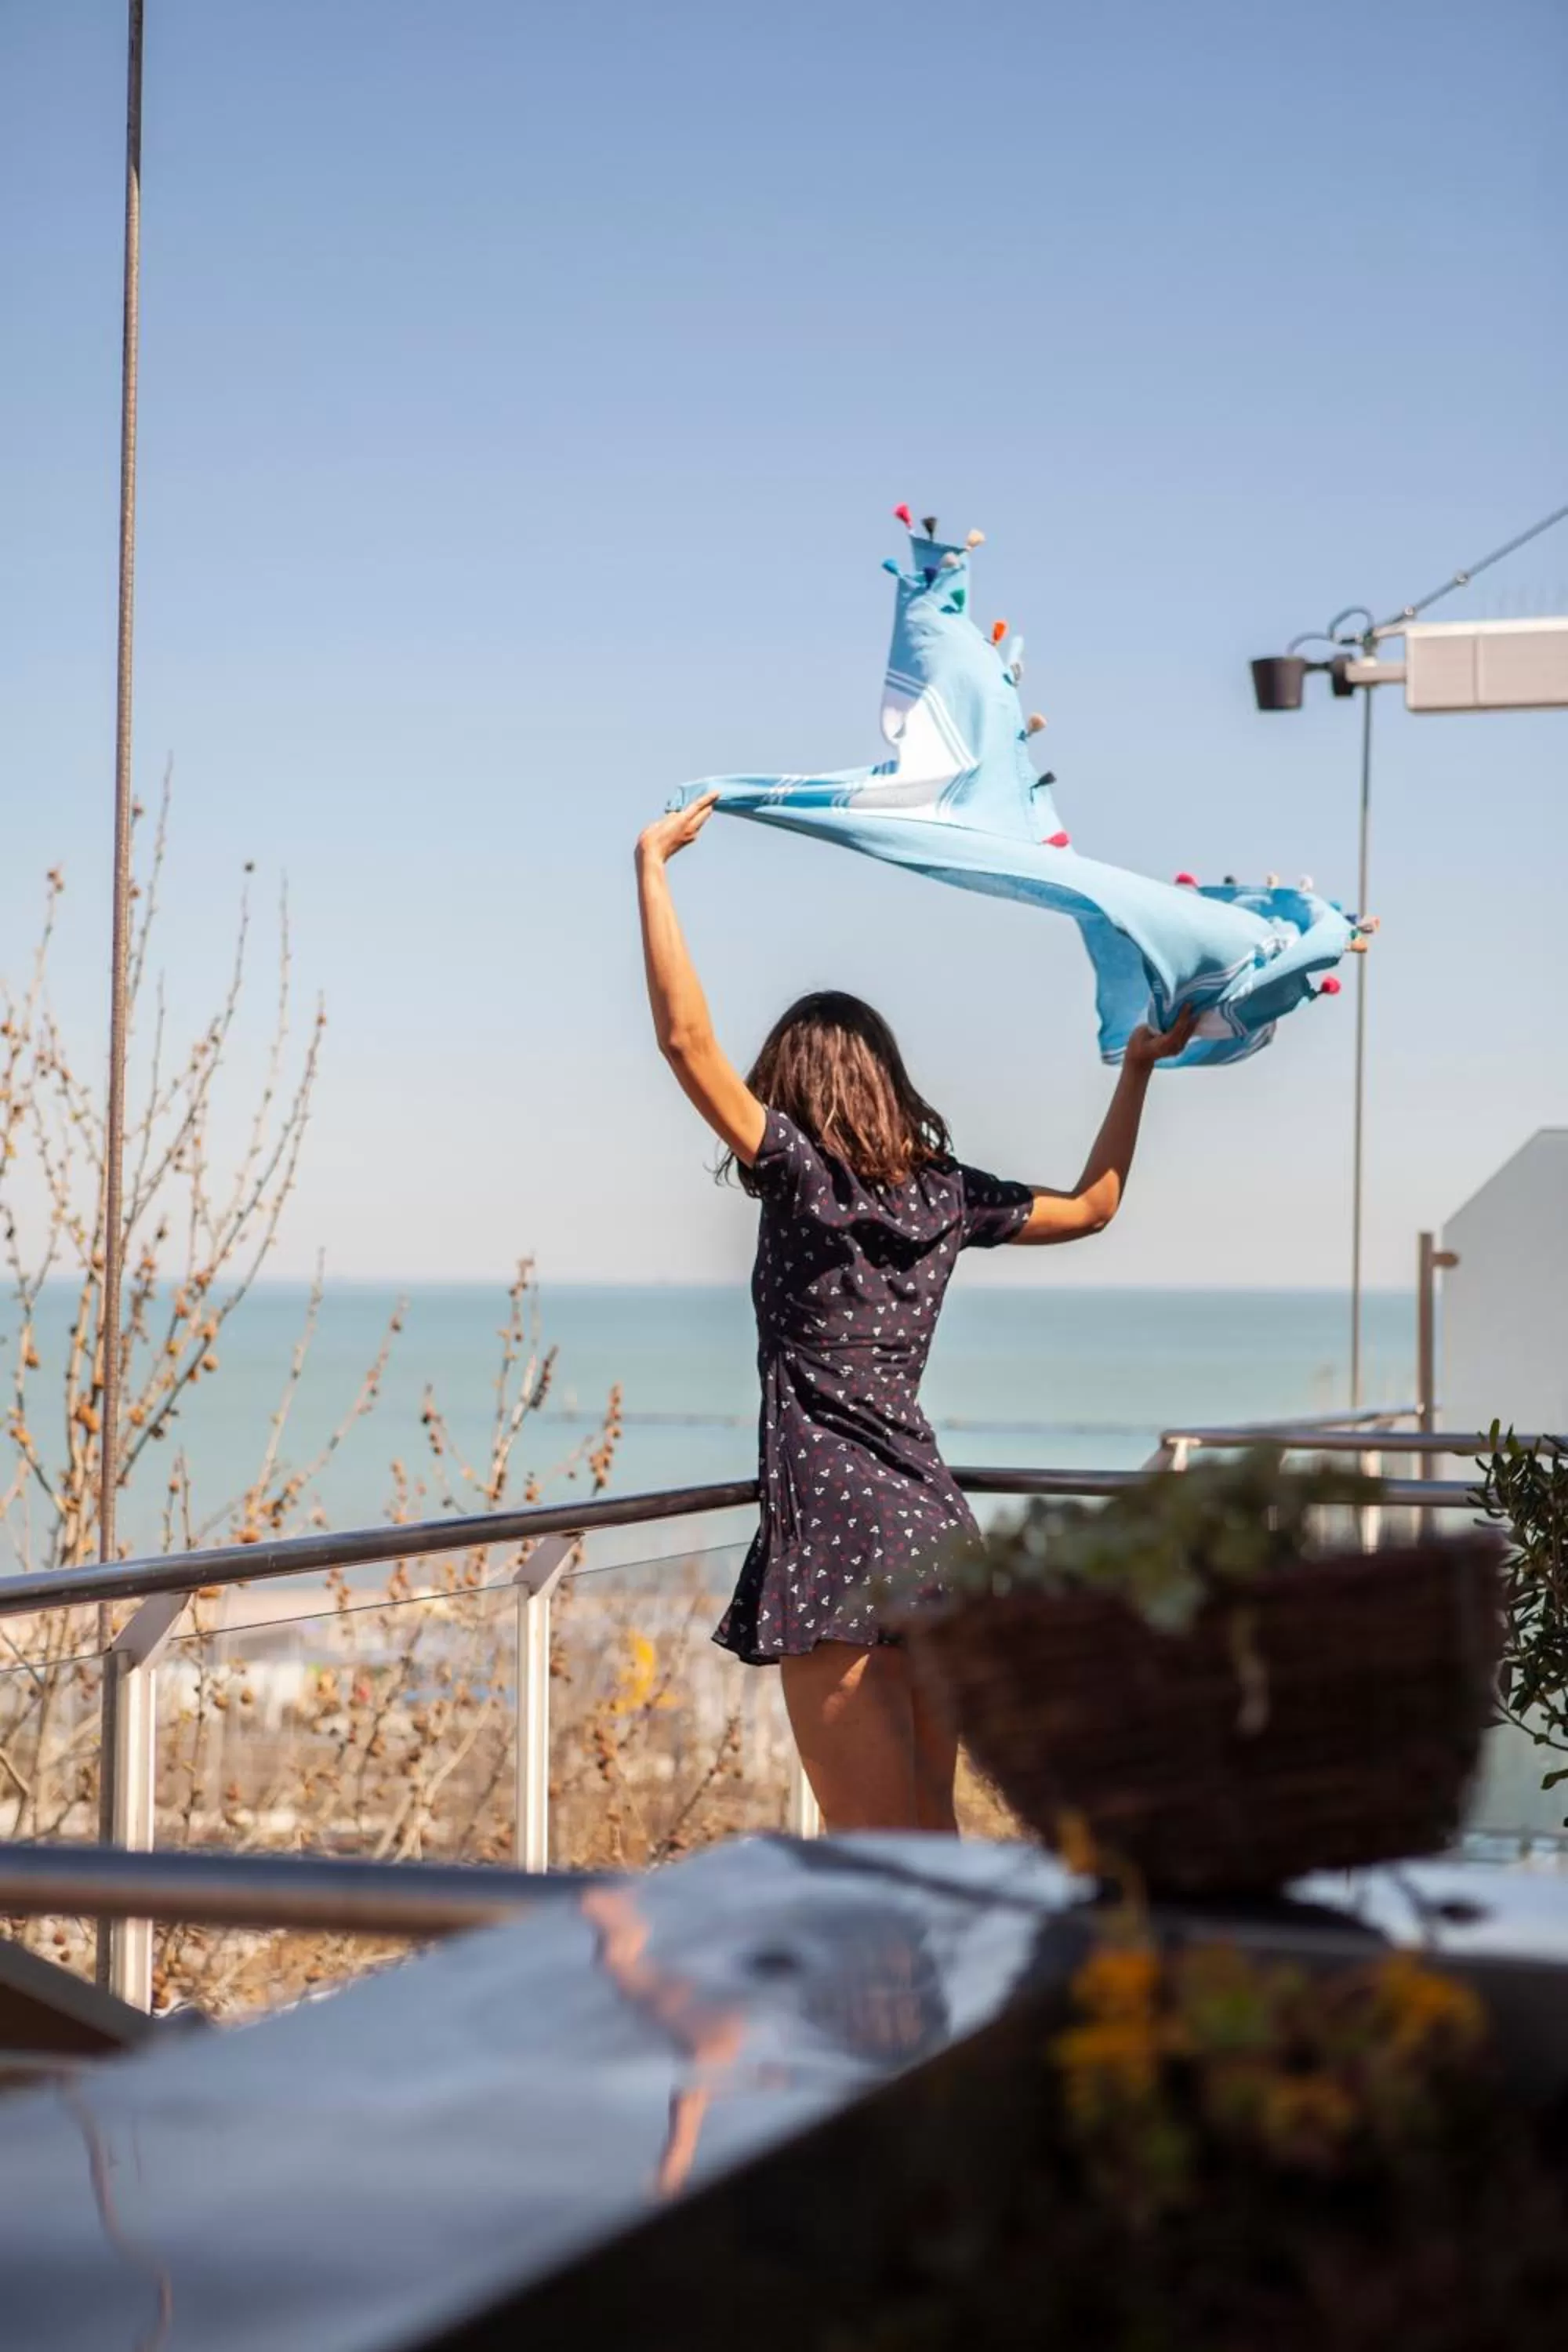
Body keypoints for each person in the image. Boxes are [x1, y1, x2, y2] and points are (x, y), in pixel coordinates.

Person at [637, 789, 1196, 1837]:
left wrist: (653, 867)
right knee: (929, 1840)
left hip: (837, 1530)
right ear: (890, 1083)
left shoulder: (801, 1173)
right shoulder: (946, 1195)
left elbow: (682, 1038)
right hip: (933, 1526)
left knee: (878, 1852)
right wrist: (1133, 1072)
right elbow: (1092, 1209)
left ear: (792, 1089)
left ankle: (919, 2005)